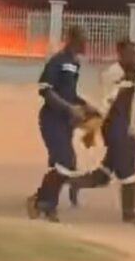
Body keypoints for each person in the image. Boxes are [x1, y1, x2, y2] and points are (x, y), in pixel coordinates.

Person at [70, 37, 135, 226]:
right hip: (115, 129)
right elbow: (105, 101)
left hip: (124, 128)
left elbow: (134, 105)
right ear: (120, 54)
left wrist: (134, 132)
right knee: (129, 172)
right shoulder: (114, 74)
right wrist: (94, 127)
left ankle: (73, 183)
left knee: (105, 175)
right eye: (131, 53)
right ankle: (129, 214)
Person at [27, 25, 97, 222]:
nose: (87, 44)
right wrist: (69, 108)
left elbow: (70, 94)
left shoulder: (74, 64)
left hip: (65, 122)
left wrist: (85, 105)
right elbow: (45, 90)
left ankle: (44, 202)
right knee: (64, 162)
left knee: (67, 164)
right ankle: (43, 203)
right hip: (51, 120)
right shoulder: (58, 61)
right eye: (84, 40)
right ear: (73, 40)